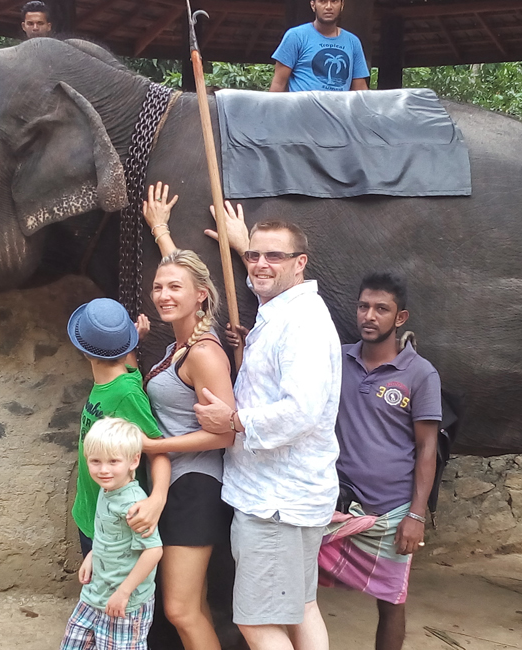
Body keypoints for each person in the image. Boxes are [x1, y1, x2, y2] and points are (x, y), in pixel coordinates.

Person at [192, 207, 342, 650]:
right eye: (254, 255)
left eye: (274, 257)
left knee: (258, 623)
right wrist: (243, 245)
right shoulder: (286, 309)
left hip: (275, 503)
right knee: (300, 609)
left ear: (301, 263)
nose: (260, 264)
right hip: (286, 497)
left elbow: (302, 409)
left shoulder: (302, 324)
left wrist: (233, 421)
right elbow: (265, 283)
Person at [132, 182, 237, 650]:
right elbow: (184, 275)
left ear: (201, 297)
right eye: (157, 287)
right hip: (175, 483)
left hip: (196, 484)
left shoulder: (204, 354)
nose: (163, 294)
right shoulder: (180, 344)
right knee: (187, 605)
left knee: (180, 608)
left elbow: (223, 436)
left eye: (174, 289)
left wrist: (154, 446)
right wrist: (161, 231)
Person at [321, 272, 441, 650]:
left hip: (389, 512)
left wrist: (416, 516)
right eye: (363, 306)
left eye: (381, 309)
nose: (369, 316)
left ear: (399, 318)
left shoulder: (421, 374)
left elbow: (427, 449)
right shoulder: (335, 359)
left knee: (391, 601)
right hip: (330, 507)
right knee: (296, 588)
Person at [67, 298, 172, 556]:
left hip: (113, 527)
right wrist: (133, 344)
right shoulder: (124, 378)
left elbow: (157, 450)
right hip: (90, 512)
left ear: (84, 350)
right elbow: (131, 370)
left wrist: (157, 500)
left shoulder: (126, 395)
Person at [60, 417, 165, 650]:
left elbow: (153, 551)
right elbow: (108, 532)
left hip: (125, 602)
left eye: (113, 461)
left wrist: (123, 592)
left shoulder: (134, 503)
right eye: (95, 461)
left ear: (133, 460)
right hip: (95, 593)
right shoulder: (107, 490)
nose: (104, 469)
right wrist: (92, 555)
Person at [269, 0, 370, 92]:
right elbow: (279, 83)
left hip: (337, 111)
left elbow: (360, 90)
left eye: (334, 1)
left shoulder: (353, 42)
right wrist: (271, 111)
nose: (329, 6)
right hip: (301, 111)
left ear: (342, 5)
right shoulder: (296, 36)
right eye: (323, 1)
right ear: (313, 5)